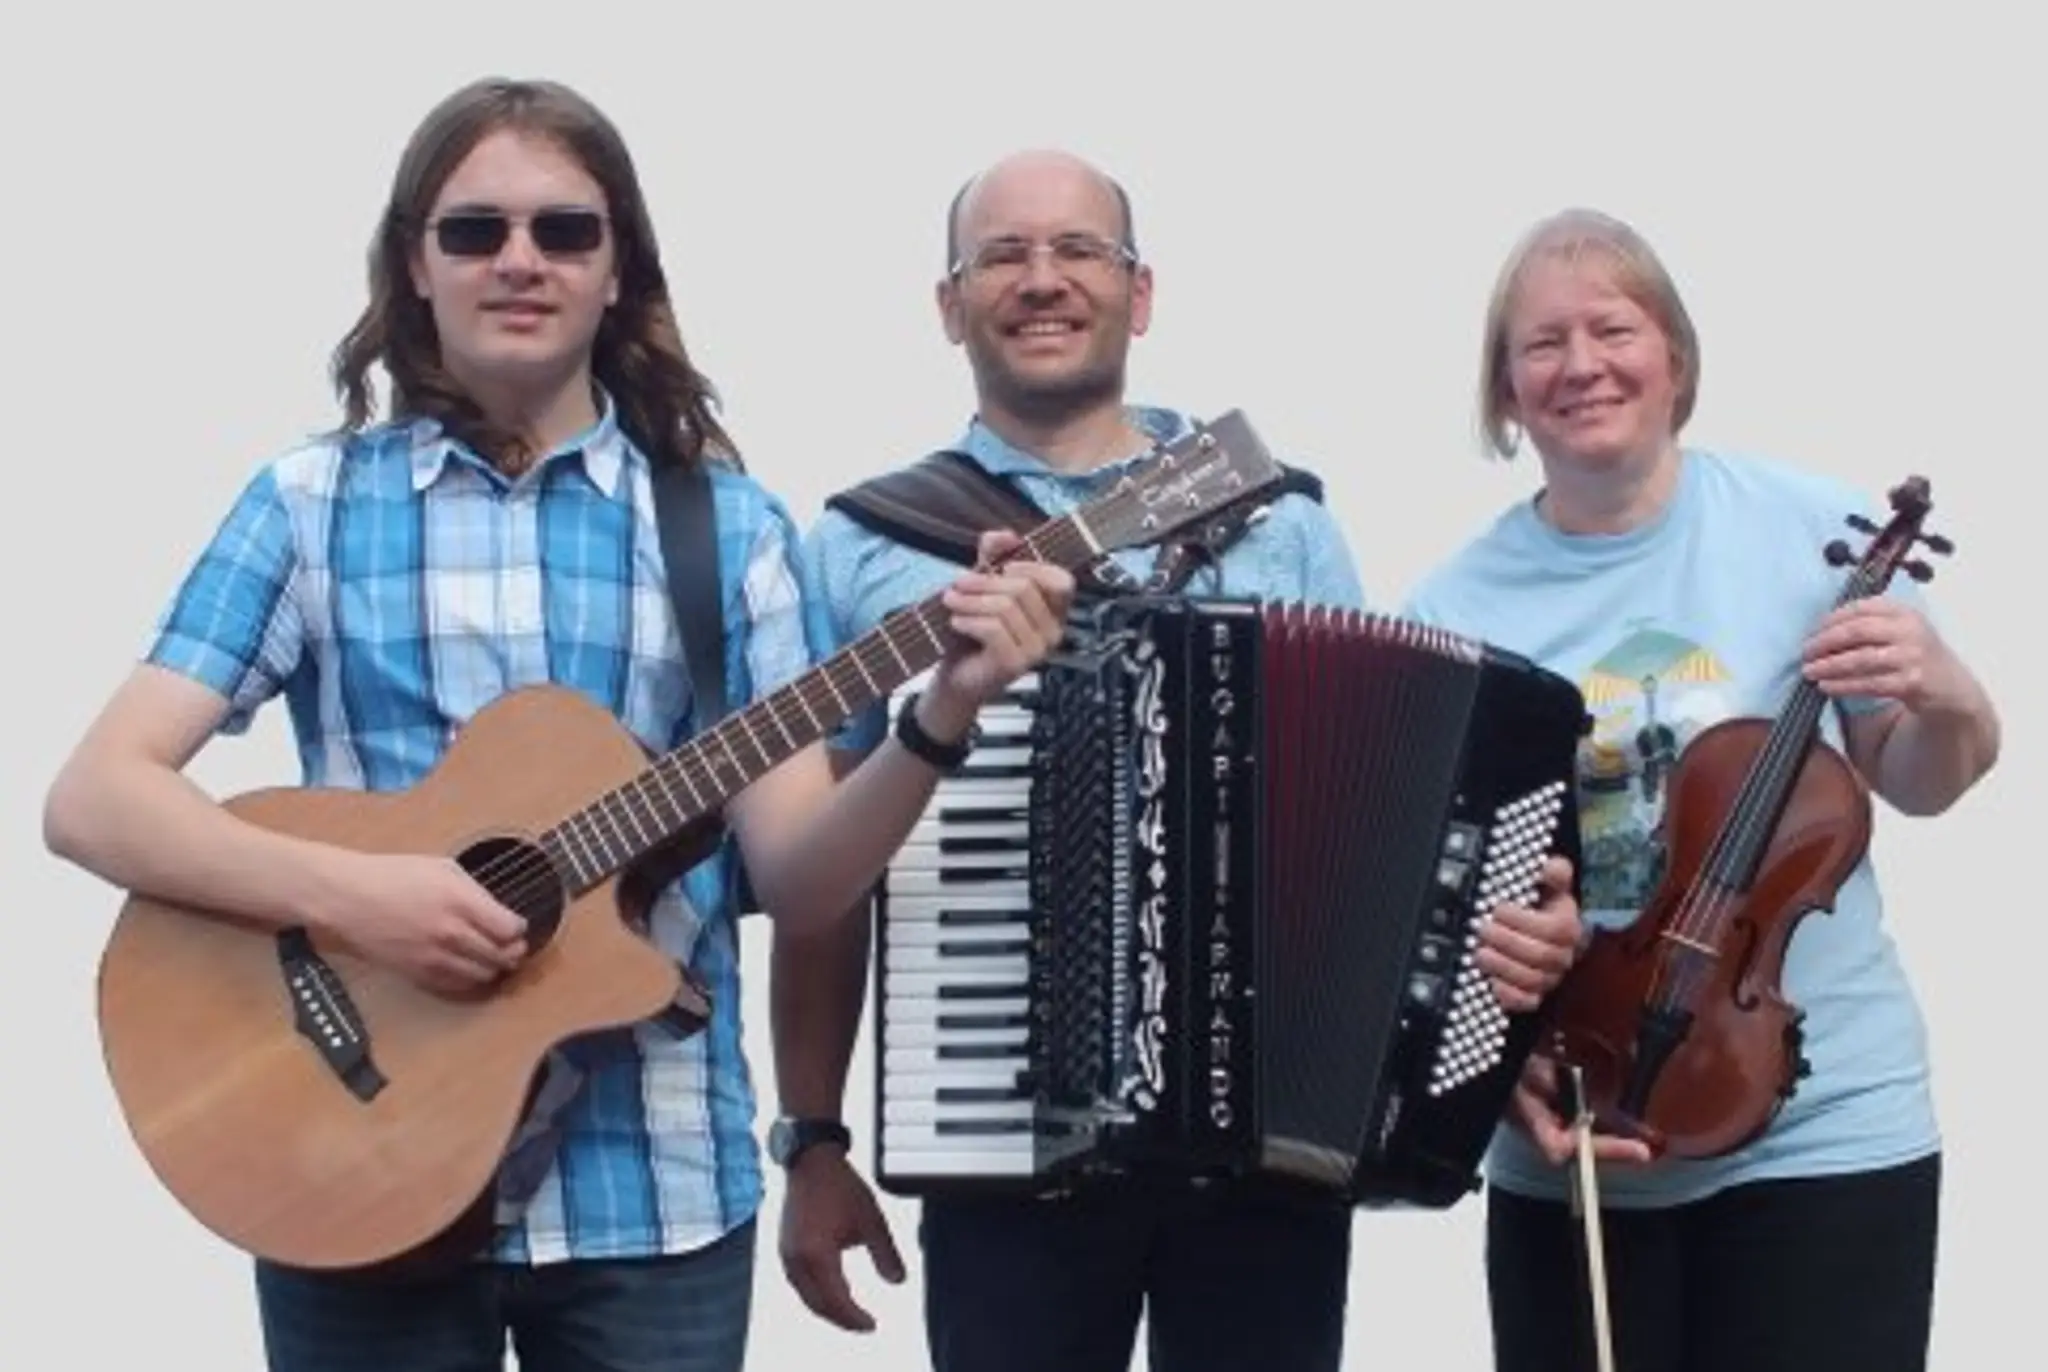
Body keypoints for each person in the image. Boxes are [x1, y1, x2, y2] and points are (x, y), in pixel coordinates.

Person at [40, 78, 1075, 1372]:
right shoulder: (304, 506)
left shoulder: (728, 531)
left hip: (656, 1188)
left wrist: (946, 711)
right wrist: (362, 902)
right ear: (415, 263)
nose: (519, 260)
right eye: (475, 231)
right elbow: (94, 799)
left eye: (563, 231)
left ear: (617, 266)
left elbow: (806, 881)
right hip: (344, 1161)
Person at [769, 148, 1590, 1372]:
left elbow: (1393, 836)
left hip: (1264, 1160)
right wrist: (814, 1135)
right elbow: (815, 888)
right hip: (1002, 1156)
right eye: (1001, 254)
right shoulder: (862, 548)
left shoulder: (1283, 526)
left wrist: (1515, 926)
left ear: (1138, 294)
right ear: (948, 307)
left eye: (1077, 251)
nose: (1041, 280)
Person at [1399, 207, 2002, 1372]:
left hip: (1825, 1132)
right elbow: (1418, 906)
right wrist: (1493, 1054)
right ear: (1504, 393)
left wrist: (1950, 698)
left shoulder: (1808, 533)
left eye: (1612, 328)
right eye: (1540, 344)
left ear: (1672, 357)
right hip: (1571, 1134)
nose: (1580, 364)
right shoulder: (1447, 610)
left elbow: (1924, 783)